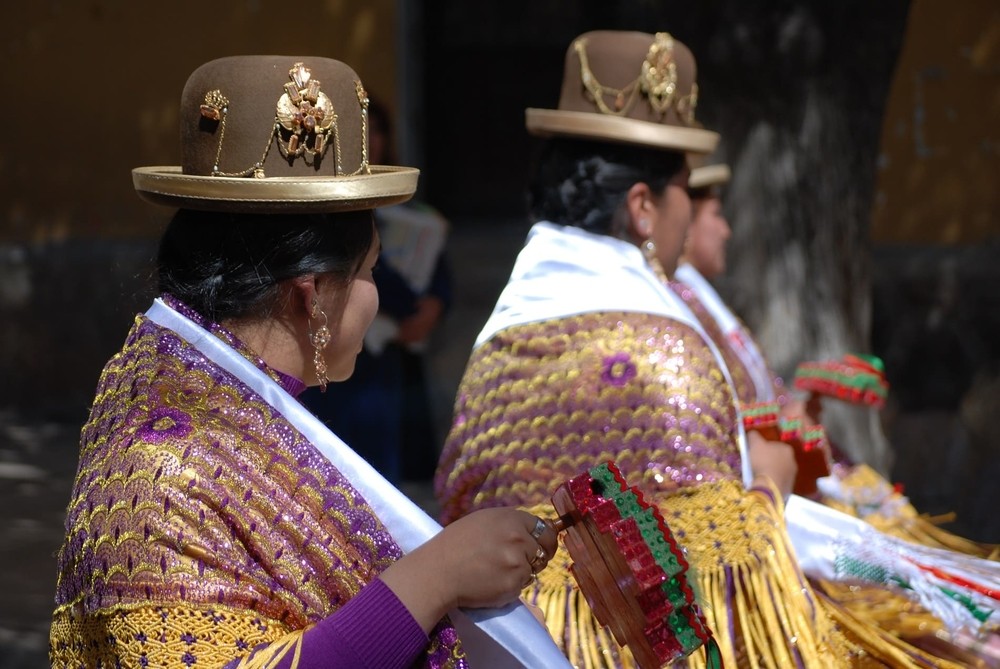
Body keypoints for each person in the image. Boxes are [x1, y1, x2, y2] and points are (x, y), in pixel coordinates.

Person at [434, 30, 967, 668]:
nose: (692, 211)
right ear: (642, 208)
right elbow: (725, 575)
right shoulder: (666, 354)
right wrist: (769, 478)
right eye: (686, 188)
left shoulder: (495, 346)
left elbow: (459, 500)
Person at [48, 55, 566, 669]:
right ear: (313, 293)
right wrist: (440, 574)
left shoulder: (200, 394)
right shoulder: (167, 469)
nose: (375, 294)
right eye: (370, 271)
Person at [671, 161, 1000, 662]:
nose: (727, 229)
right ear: (680, 217)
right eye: (715, 213)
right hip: (770, 518)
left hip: (784, 496)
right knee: (914, 620)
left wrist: (798, 405)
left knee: (927, 597)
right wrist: (786, 432)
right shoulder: (679, 305)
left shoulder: (698, 298)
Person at [300, 96, 452, 484]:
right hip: (339, 347)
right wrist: (403, 304)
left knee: (383, 468)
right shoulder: (319, 212)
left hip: (391, 354)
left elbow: (439, 272)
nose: (370, 141)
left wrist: (432, 306)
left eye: (377, 132)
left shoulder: (414, 213)